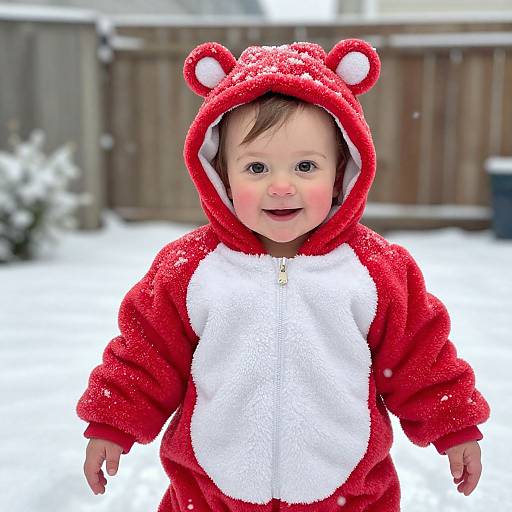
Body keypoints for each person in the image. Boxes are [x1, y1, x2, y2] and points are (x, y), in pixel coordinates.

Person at [77, 39, 490, 512]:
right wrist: (112, 423)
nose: (281, 185)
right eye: (256, 166)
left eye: (305, 166)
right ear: (221, 174)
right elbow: (144, 354)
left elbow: (423, 357)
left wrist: (454, 425)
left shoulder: (376, 271)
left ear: (340, 173)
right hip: (212, 494)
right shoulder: (188, 269)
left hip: (348, 494)